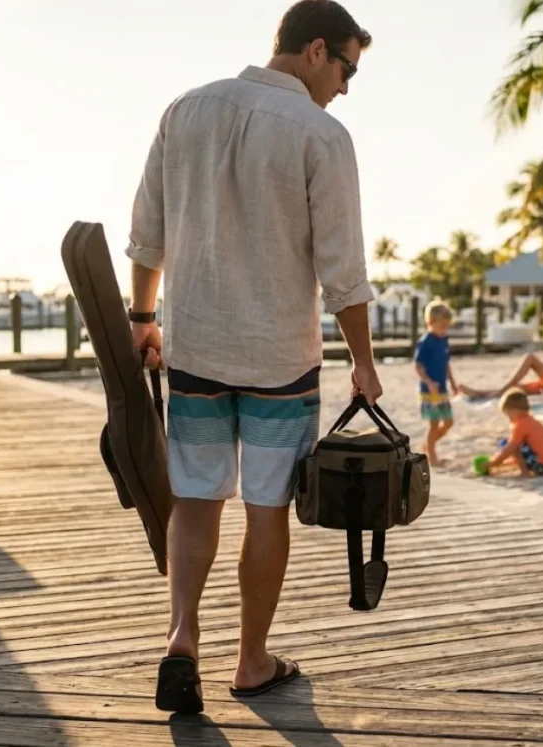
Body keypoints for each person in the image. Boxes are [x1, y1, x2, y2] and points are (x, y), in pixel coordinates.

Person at [125, 0, 381, 714]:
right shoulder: (320, 134)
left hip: (197, 350)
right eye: (347, 69)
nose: (346, 86)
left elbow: (147, 236)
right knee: (267, 509)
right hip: (279, 361)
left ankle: (181, 637)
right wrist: (362, 361)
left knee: (197, 499)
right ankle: (250, 661)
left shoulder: (184, 110)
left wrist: (145, 319)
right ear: (316, 50)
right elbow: (343, 271)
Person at [414, 300, 458, 466]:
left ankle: (427, 445)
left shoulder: (444, 340)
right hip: (429, 390)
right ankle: (432, 457)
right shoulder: (426, 342)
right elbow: (418, 366)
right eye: (442, 326)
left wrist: (453, 384)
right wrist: (429, 382)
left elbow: (446, 364)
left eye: (447, 326)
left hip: (443, 389)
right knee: (433, 424)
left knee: (448, 422)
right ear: (430, 323)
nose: (445, 329)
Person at [485, 388, 543, 477]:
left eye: (508, 415)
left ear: (515, 410)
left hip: (540, 465)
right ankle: (521, 468)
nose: (509, 419)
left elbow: (510, 448)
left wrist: (493, 463)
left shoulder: (521, 425)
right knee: (514, 443)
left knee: (509, 444)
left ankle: (525, 472)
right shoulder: (530, 420)